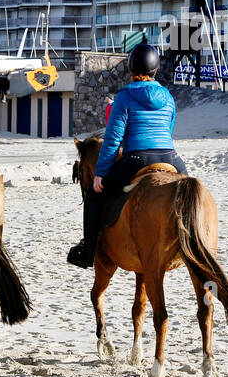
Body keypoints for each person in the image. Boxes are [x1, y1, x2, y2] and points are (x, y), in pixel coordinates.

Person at [67, 43, 184, 269]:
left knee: (93, 194)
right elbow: (168, 131)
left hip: (136, 159)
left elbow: (112, 140)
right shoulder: (168, 97)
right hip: (171, 157)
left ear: (131, 70)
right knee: (189, 192)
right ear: (156, 70)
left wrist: (100, 174)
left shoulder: (124, 97)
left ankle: (88, 250)